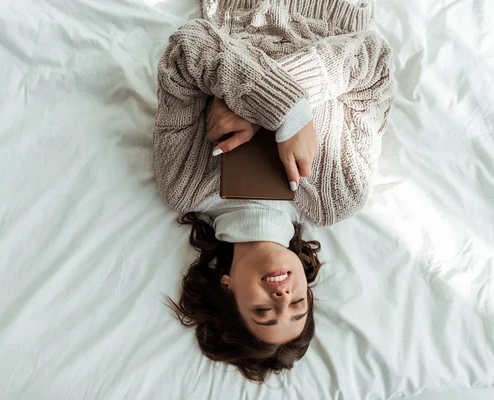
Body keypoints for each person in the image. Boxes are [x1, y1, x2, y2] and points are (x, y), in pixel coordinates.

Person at [153, 0, 394, 383]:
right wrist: (285, 111)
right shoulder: (339, 194)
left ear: (227, 288)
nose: (282, 300)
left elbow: (188, 49)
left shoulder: (183, 182)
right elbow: (374, 61)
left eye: (263, 312)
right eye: (299, 304)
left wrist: (262, 106)